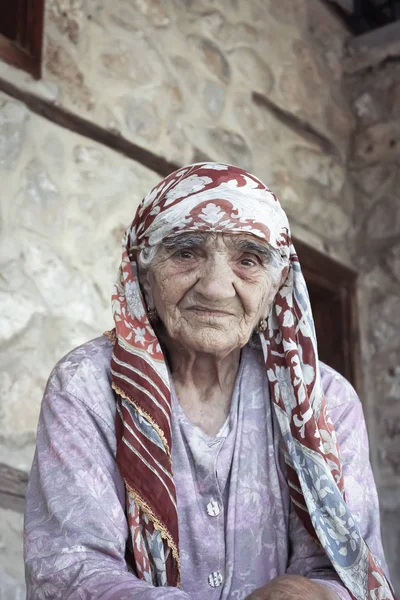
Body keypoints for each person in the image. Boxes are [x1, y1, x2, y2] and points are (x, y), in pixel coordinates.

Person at [24, 163, 395, 600]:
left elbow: (350, 571)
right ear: (144, 271)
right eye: (185, 253)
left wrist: (313, 593)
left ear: (276, 285)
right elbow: (69, 569)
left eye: (249, 259)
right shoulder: (86, 385)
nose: (217, 288)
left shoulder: (325, 401)